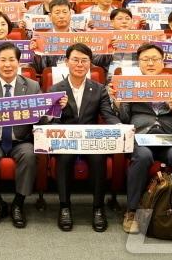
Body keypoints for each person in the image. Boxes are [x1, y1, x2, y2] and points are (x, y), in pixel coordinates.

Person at [119, 44, 172, 236]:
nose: (150, 63)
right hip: (141, 136)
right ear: (138, 63)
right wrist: (120, 101)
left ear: (163, 62)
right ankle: (131, 212)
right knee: (142, 157)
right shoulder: (130, 84)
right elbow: (124, 118)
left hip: (168, 135)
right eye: (145, 59)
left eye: (155, 59)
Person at [47, 43, 119, 232]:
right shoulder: (56, 88)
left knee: (98, 157)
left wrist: (119, 127)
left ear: (90, 64)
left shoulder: (98, 88)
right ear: (66, 62)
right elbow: (47, 119)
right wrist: (56, 109)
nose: (80, 64)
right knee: (63, 157)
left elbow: (107, 115)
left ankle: (98, 208)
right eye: (75, 60)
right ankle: (64, 207)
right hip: (66, 139)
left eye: (84, 61)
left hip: (89, 138)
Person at [0, 42, 42, 229]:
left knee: (29, 155)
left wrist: (51, 109)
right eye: (3, 60)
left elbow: (42, 116)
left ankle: (18, 204)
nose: (7, 64)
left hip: (21, 139)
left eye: (12, 60)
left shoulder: (33, 86)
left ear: (19, 63)